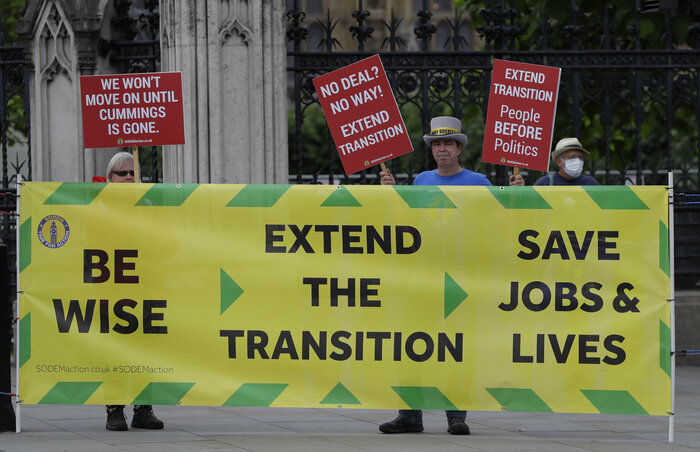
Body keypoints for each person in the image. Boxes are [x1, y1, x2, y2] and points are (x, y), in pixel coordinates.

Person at [378, 116, 520, 435]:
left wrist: (515, 195)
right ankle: (410, 416)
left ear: (459, 149)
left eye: (448, 144)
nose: (442, 149)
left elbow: (500, 222)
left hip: (461, 275)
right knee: (411, 344)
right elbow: (408, 222)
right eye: (437, 144)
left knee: (455, 346)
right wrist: (390, 194)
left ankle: (456, 416)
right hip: (423, 274)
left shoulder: (479, 182)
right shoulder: (420, 181)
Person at [103, 152, 164, 431]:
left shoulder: (148, 203)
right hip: (112, 287)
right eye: (122, 173)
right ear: (110, 178)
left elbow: (162, 241)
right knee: (115, 348)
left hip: (144, 286)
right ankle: (115, 410)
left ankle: (143, 408)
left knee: (145, 348)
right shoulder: (100, 205)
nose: (128, 177)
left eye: (132, 173)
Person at [532, 137, 598, 186]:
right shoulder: (545, 183)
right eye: (572, 157)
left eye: (580, 157)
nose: (578, 161)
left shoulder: (591, 184)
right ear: (559, 162)